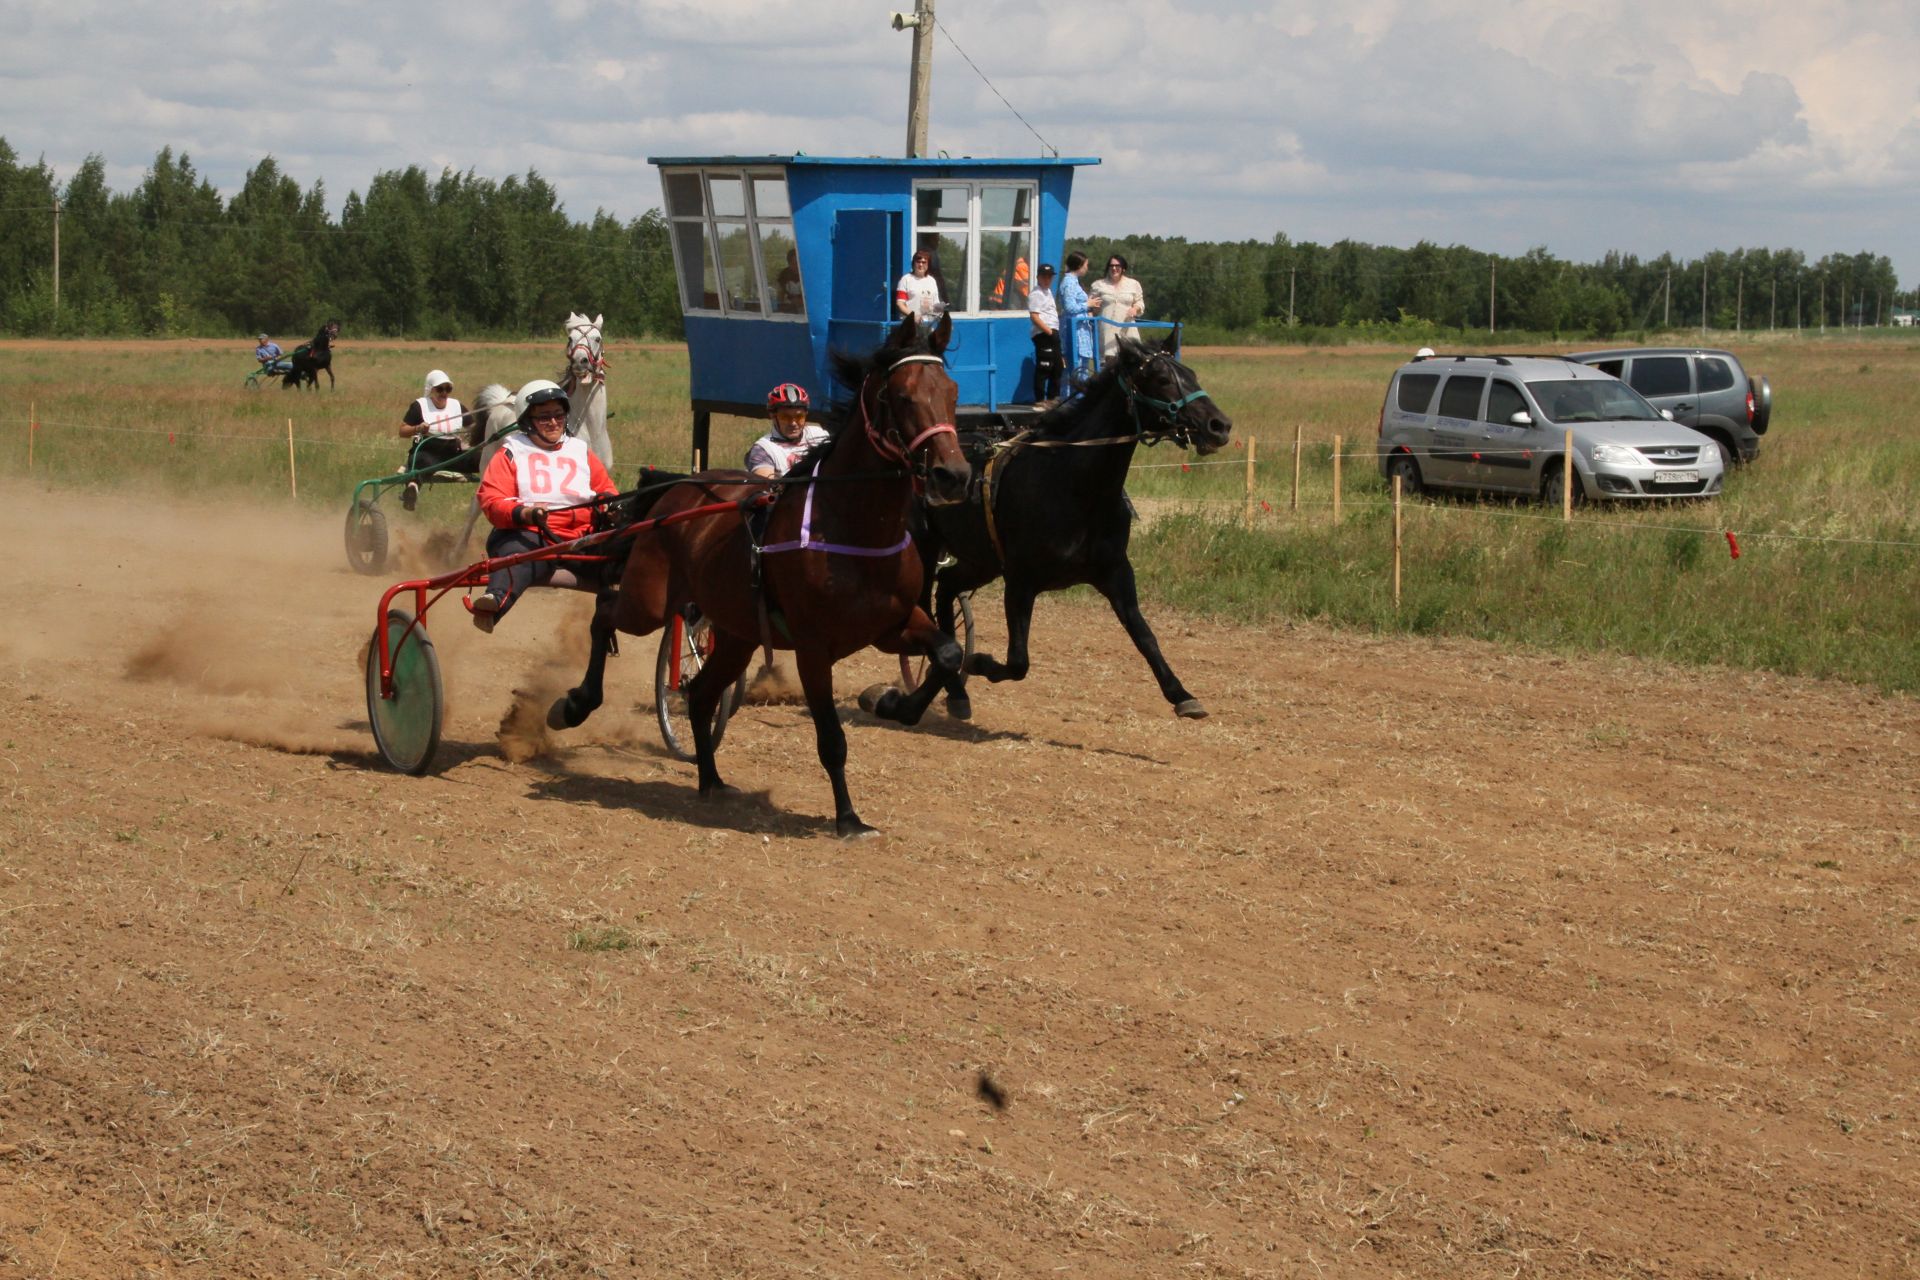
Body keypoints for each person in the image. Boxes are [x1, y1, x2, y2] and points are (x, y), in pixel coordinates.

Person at [470, 379, 617, 632]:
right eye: (544, 417)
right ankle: (494, 603)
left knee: (629, 549)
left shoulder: (581, 451)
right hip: (532, 534)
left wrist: (612, 508)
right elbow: (492, 501)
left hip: (583, 537)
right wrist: (524, 513)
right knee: (516, 554)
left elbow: (606, 490)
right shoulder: (511, 452)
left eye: (559, 415)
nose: (553, 423)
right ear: (527, 420)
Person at [396, 369, 469, 511]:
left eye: (448, 389)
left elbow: (473, 427)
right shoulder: (420, 406)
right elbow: (402, 431)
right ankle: (411, 490)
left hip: (453, 454)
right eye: (440, 389)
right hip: (428, 451)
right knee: (421, 462)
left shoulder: (456, 406)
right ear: (430, 389)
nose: (444, 393)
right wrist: (418, 428)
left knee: (481, 458)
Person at [746, 383, 831, 478]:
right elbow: (765, 489)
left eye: (799, 417)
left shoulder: (819, 435)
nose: (793, 423)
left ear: (806, 414)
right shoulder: (763, 449)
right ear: (773, 416)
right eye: (785, 417)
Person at [1088, 253, 1146, 362]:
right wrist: (1091, 313)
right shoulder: (1099, 285)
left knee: (1133, 360)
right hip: (1106, 329)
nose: (1114, 268)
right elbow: (1090, 305)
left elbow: (1140, 302)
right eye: (1111, 266)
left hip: (1127, 328)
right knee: (1109, 362)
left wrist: (1135, 309)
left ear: (1123, 268)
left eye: (1117, 266)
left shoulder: (1133, 284)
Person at [1059, 252, 1094, 389]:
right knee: (1075, 368)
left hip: (1081, 331)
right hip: (1075, 332)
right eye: (1086, 265)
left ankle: (1078, 396)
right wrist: (1088, 305)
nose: (1087, 268)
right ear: (1079, 265)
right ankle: (1072, 399)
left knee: (1081, 368)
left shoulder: (1074, 282)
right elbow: (1069, 306)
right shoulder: (1069, 282)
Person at [1028, 263, 1062, 405]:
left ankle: (1053, 398)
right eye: (1044, 277)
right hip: (1043, 333)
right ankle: (1040, 399)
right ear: (1038, 277)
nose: (1047, 279)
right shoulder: (1036, 294)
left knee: (1057, 366)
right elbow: (1034, 316)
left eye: (1049, 277)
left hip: (1053, 332)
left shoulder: (1048, 292)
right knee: (1044, 366)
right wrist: (1048, 331)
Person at [895, 249, 942, 321]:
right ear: (913, 263)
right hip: (909, 324)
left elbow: (936, 305)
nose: (921, 264)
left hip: (928, 325)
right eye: (918, 262)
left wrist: (943, 319)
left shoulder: (932, 281)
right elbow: (900, 304)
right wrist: (913, 316)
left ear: (928, 265)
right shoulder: (905, 279)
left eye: (924, 262)